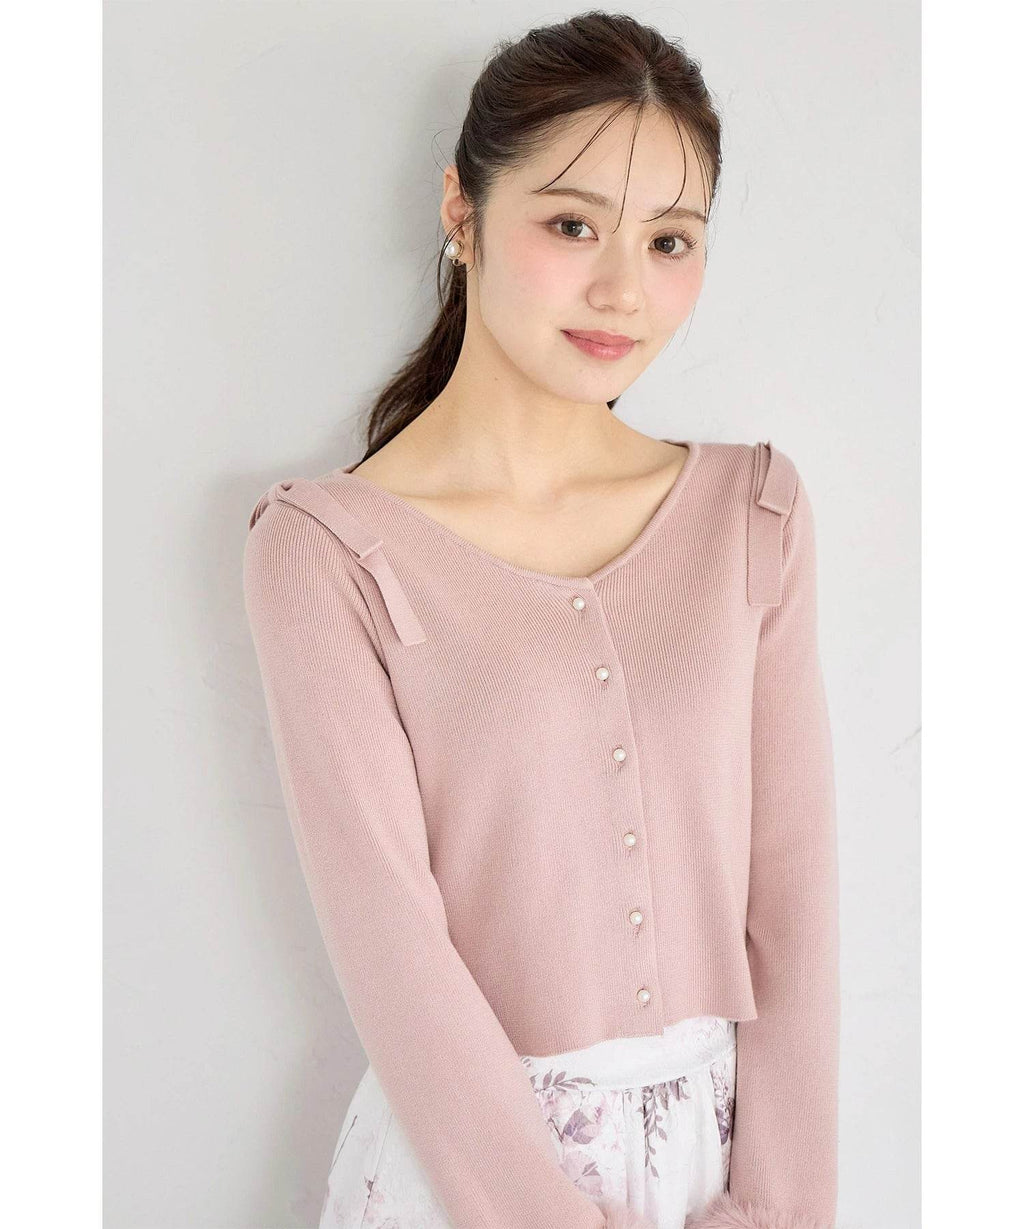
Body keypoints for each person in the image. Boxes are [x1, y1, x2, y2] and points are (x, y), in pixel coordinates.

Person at [242, 12, 839, 1229]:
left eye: (669, 240)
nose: (623, 288)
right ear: (460, 211)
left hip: (720, 1172)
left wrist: (781, 1209)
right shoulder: (325, 552)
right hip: (464, 1180)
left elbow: (795, 897)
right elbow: (392, 950)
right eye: (571, 224)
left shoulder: (754, 513)